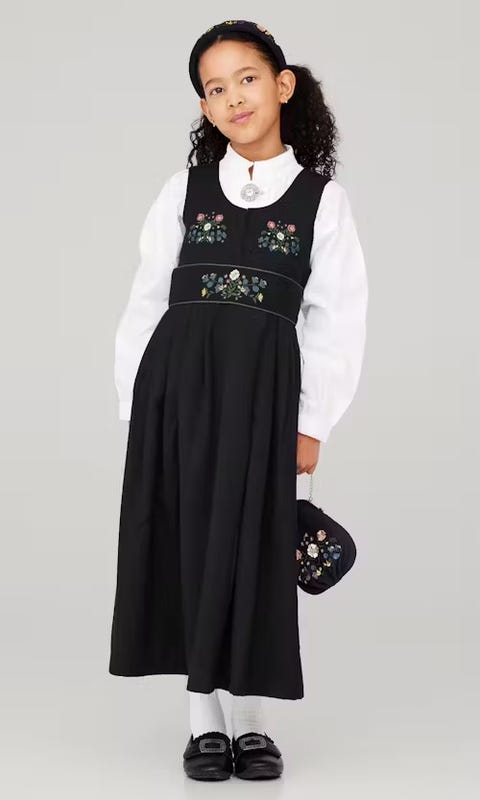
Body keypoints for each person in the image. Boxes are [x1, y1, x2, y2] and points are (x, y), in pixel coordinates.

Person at [108, 19, 368, 781]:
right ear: (205, 107)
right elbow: (146, 299)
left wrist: (312, 423)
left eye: (247, 79)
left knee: (257, 550)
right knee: (191, 543)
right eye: (215, 88)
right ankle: (203, 722)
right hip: (178, 393)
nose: (233, 97)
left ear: (283, 85)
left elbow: (338, 318)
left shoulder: (322, 201)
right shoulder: (183, 191)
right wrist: (137, 407)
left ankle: (253, 721)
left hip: (267, 399)